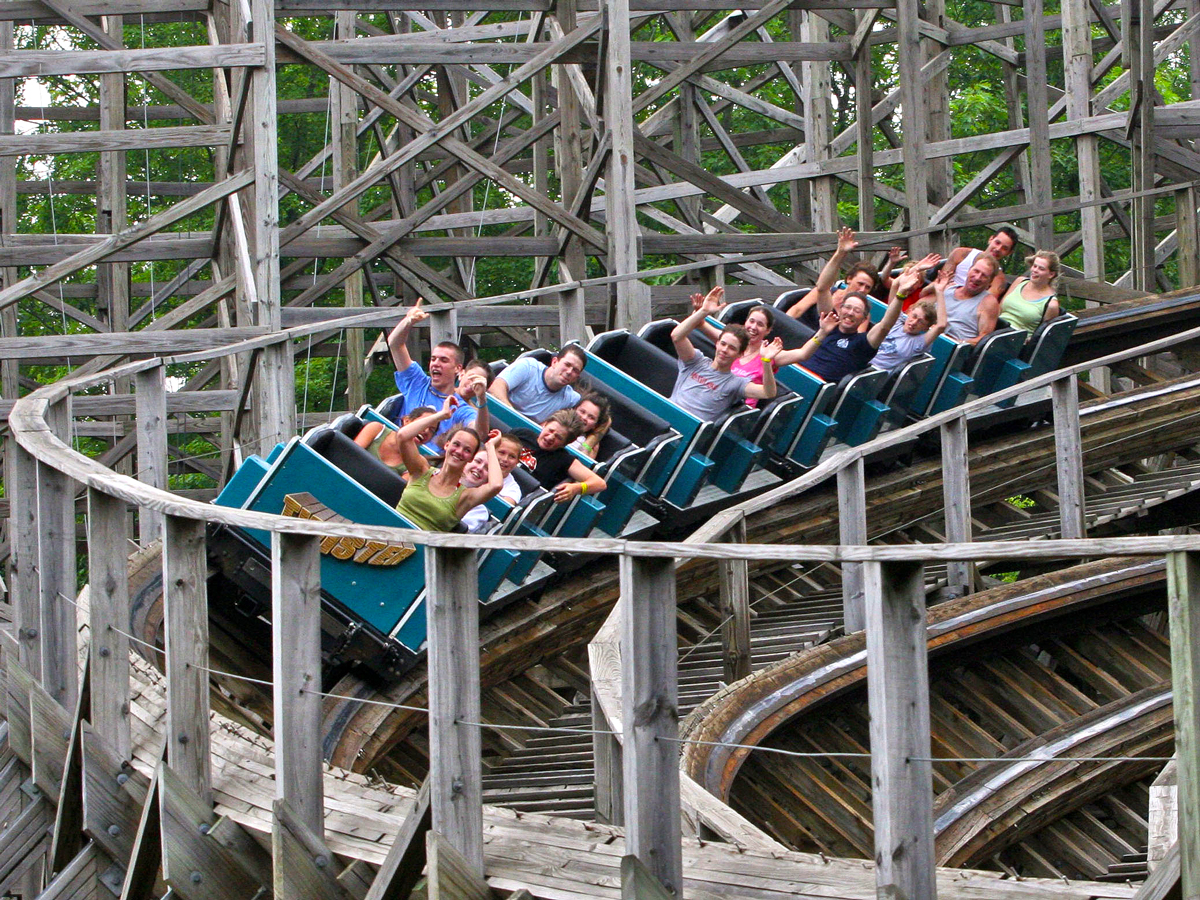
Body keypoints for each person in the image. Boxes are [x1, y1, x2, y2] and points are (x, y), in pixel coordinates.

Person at [670, 286, 781, 420]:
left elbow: (768, 393)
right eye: (723, 344)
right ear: (717, 344)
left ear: (740, 354)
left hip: (691, 427)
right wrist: (704, 311)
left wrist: (766, 362)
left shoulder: (736, 383)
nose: (724, 350)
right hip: (668, 414)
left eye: (732, 348)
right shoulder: (696, 361)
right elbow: (677, 336)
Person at [392, 398, 503, 532]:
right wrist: (441, 415)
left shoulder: (465, 497)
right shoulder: (421, 470)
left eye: (467, 450)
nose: (459, 451)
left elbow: (496, 485)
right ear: (447, 445)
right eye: (456, 444)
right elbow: (403, 435)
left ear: (471, 458)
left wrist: (490, 447)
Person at [788, 276, 910, 381]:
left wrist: (901, 294)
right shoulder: (827, 325)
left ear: (863, 319)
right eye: (847, 307)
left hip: (818, 387)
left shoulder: (862, 342)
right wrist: (838, 256)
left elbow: (885, 325)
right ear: (840, 310)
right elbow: (822, 288)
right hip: (794, 372)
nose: (850, 313)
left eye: (857, 310)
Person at [383, 297, 466, 437]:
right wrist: (409, 321)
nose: (436, 363)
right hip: (401, 444)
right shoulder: (417, 382)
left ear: (457, 368)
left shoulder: (459, 406)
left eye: (444, 360)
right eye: (433, 359)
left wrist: (481, 400)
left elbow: (477, 430)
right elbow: (394, 344)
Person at [785, 227, 879, 327]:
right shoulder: (826, 293)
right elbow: (797, 310)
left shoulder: (862, 314)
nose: (862, 290)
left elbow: (856, 336)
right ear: (849, 279)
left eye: (867, 287)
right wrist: (840, 252)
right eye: (860, 284)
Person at [510, 409, 607, 503]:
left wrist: (576, 488)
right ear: (545, 424)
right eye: (551, 430)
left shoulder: (564, 460)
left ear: (567, 442)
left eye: (559, 437)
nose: (550, 437)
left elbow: (600, 484)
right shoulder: (522, 434)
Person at [871, 266, 950, 372]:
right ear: (909, 312)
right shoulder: (896, 321)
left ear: (926, 328)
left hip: (875, 373)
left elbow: (941, 325)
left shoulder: (918, 342)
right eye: (914, 316)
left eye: (921, 322)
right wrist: (917, 268)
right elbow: (895, 286)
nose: (914, 322)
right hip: (863, 359)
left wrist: (939, 291)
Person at [489, 346, 586, 422]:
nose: (569, 372)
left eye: (575, 370)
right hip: (495, 417)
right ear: (554, 362)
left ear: (577, 377)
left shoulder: (571, 399)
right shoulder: (528, 367)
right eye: (567, 365)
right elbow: (495, 387)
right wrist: (512, 415)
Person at [933, 227, 1017, 304]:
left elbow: (985, 303)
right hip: (942, 295)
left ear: (1009, 253)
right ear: (991, 239)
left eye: (1004, 248)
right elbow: (940, 281)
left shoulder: (999, 279)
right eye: (997, 243)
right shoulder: (961, 254)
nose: (998, 249)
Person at [355, 406, 435, 474]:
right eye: (423, 424)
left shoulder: (416, 463)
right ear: (406, 421)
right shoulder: (377, 430)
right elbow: (352, 454)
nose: (426, 431)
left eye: (432, 430)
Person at [460, 445, 521, 533]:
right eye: (477, 461)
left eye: (487, 468)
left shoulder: (479, 511)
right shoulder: (439, 476)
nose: (479, 468)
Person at [943, 252, 1001, 344]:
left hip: (952, 345)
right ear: (969, 270)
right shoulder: (948, 289)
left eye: (984, 275)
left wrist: (959, 344)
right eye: (976, 271)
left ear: (990, 282)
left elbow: (984, 339)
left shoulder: (988, 303)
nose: (977, 278)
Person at [999, 250, 1061, 335]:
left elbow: (1043, 335)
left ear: (1051, 274)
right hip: (997, 327)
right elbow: (999, 308)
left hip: (1016, 337)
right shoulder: (1020, 281)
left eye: (1041, 269)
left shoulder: (1051, 304)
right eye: (1034, 266)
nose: (1035, 270)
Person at [572, 391, 612, 459]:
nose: (584, 417)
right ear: (574, 409)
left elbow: (608, 421)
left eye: (591, 417)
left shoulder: (591, 446)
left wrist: (588, 444)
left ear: (595, 425)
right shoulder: (558, 423)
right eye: (582, 411)